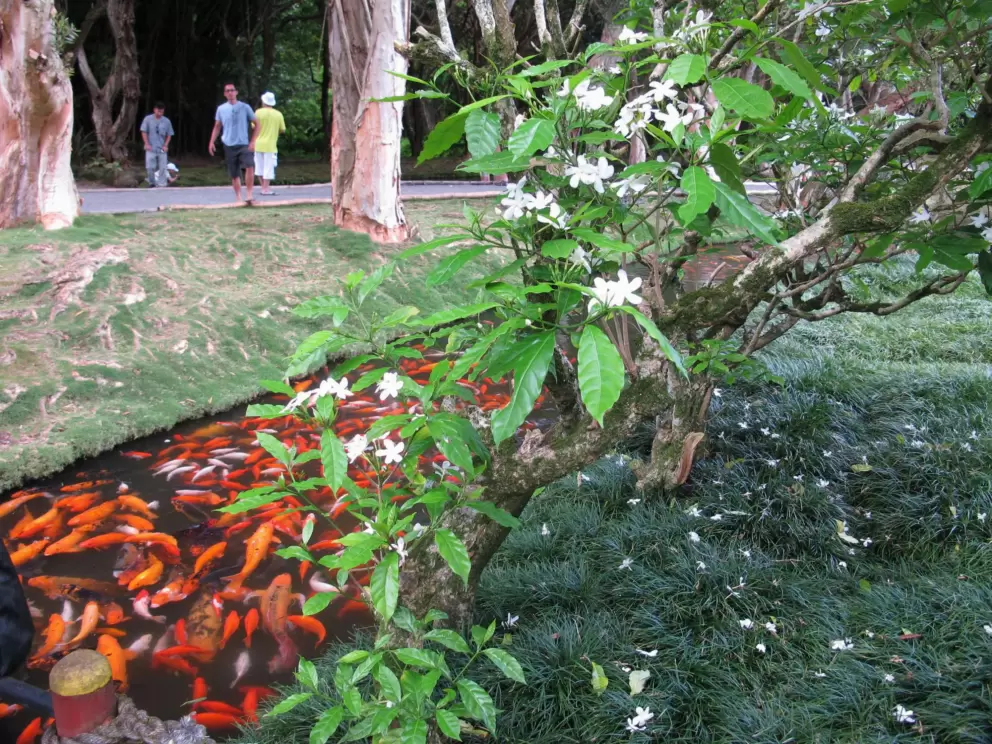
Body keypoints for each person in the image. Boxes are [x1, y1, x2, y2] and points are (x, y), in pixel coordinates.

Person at [208, 82, 259, 203]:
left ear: (236, 92)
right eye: (228, 91)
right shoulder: (221, 109)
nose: (230, 92)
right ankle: (238, 198)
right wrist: (211, 142)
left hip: (243, 143)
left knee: (249, 166)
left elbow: (257, 124)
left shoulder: (245, 107)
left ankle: (249, 194)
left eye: (232, 90)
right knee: (234, 172)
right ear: (225, 94)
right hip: (229, 144)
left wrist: (253, 141)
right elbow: (217, 126)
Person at [254, 91, 286, 195]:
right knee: (269, 167)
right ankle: (265, 189)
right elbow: (282, 130)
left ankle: (263, 187)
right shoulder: (278, 114)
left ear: (263, 101)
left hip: (258, 143)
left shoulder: (257, 113)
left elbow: (253, 126)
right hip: (270, 145)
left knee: (259, 167)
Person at [139, 102, 174, 188]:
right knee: (150, 167)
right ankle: (152, 183)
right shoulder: (148, 119)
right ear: (154, 110)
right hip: (151, 147)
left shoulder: (166, 121)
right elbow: (144, 131)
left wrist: (166, 145)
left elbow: (169, 134)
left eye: (162, 112)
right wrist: (146, 143)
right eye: (158, 111)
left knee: (162, 167)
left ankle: (162, 184)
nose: (160, 113)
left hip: (161, 147)